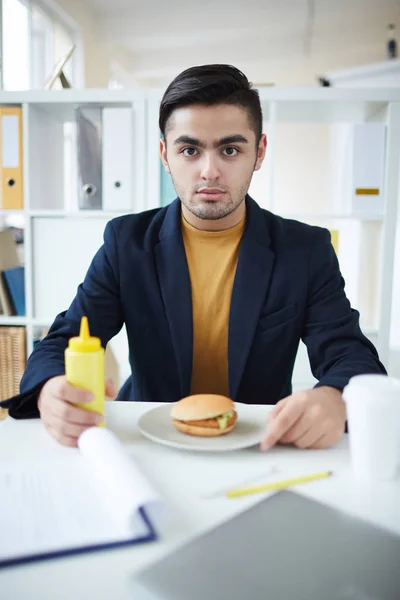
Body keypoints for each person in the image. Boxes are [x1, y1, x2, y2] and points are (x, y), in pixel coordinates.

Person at [1, 64, 386, 449]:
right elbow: (62, 340)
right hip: (147, 440)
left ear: (259, 152)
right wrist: (50, 388)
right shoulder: (126, 242)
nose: (210, 171)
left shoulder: (305, 250)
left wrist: (335, 396)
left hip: (260, 443)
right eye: (189, 150)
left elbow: (351, 354)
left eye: (230, 150)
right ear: (165, 154)